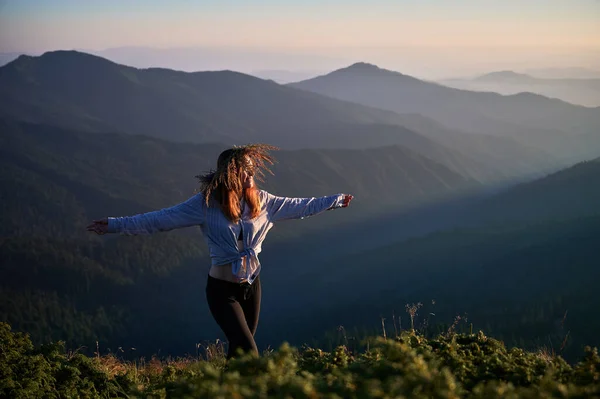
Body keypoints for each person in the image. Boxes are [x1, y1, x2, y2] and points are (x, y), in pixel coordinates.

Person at [87, 144, 353, 359]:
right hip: (222, 291)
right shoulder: (205, 204)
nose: (252, 174)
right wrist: (113, 225)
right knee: (249, 352)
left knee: (239, 353)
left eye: (252, 169)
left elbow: (301, 206)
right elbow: (159, 220)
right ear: (230, 173)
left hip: (251, 286)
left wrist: (335, 201)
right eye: (246, 170)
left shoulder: (262, 202)